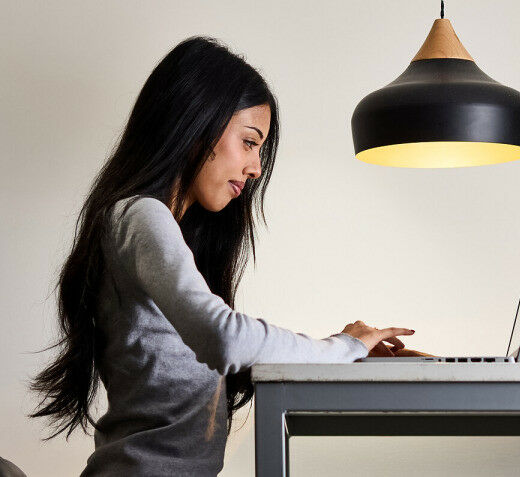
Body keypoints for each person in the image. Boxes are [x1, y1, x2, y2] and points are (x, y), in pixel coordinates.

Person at [27, 36, 425, 476]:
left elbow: (223, 352)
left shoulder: (160, 228)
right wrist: (341, 348)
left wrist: (337, 353)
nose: (255, 168)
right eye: (250, 142)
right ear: (197, 121)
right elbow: (227, 339)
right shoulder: (140, 216)